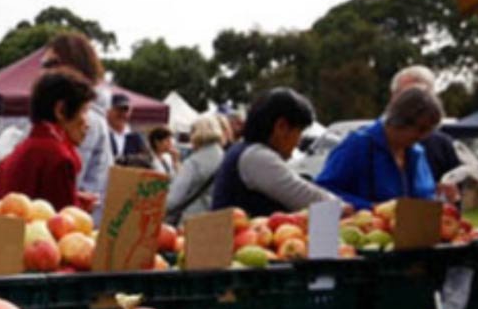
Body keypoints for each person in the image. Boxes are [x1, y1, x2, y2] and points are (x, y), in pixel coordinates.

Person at [211, 87, 340, 216]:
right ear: (281, 127)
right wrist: (344, 208)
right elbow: (308, 198)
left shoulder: (243, 151)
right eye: (299, 132)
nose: (298, 142)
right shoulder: (257, 157)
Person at [315, 86, 442, 210]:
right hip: (360, 227)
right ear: (400, 121)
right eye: (421, 129)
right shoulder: (358, 145)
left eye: (429, 130)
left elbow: (426, 196)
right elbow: (323, 191)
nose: (423, 136)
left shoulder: (417, 152)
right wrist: (369, 207)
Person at [0, 71, 97, 212]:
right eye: (84, 111)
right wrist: (79, 211)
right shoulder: (59, 158)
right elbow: (65, 224)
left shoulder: (14, 154)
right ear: (60, 110)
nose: (88, 124)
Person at [41, 34, 108, 214]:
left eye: (52, 64)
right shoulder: (57, 113)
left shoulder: (86, 120)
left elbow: (67, 183)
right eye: (44, 65)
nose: (44, 72)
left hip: (69, 227)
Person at [389, 65, 461, 182]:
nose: (417, 105)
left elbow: (460, 190)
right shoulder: (366, 142)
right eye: (409, 96)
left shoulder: (442, 145)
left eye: (425, 96)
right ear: (393, 97)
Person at [165, 115, 226, 225]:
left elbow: (172, 200)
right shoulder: (226, 159)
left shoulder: (193, 163)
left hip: (193, 221)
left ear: (195, 134)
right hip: (219, 222)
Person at [107, 92, 149, 165]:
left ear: (130, 112)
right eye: (118, 110)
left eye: (126, 110)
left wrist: (126, 159)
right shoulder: (102, 133)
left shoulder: (136, 136)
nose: (122, 114)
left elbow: (147, 158)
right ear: (108, 111)